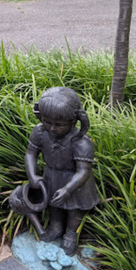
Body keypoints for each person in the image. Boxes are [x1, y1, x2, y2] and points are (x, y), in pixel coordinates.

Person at [25, 87, 100, 256]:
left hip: (76, 182)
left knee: (74, 208)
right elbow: (31, 153)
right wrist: (32, 176)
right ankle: (56, 226)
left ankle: (71, 234)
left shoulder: (81, 143)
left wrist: (68, 189)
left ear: (74, 121)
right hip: (52, 174)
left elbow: (83, 171)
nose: (52, 128)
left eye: (59, 125)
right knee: (54, 204)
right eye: (47, 122)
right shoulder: (39, 132)